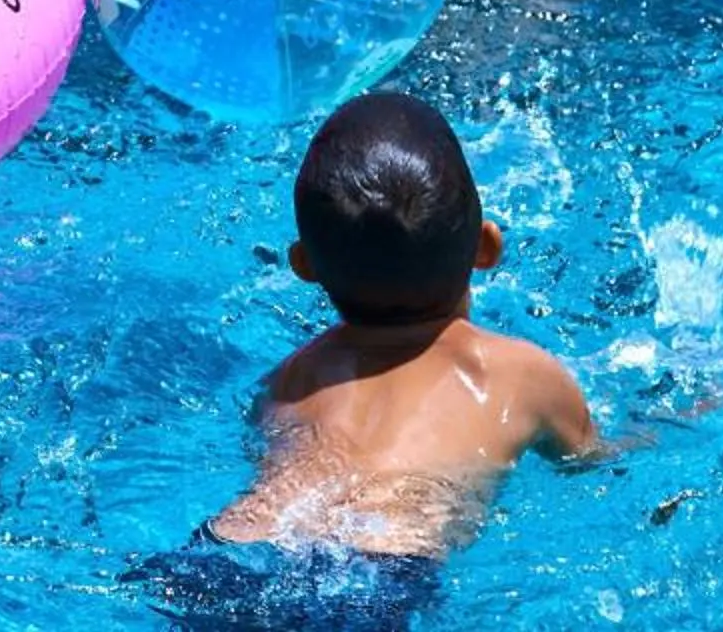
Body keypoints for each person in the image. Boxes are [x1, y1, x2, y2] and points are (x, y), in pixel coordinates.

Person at [134, 92, 601, 630]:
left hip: (226, 554)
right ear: (486, 247)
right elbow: (590, 461)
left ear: (304, 266)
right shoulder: (522, 373)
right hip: (378, 570)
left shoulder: (290, 377)